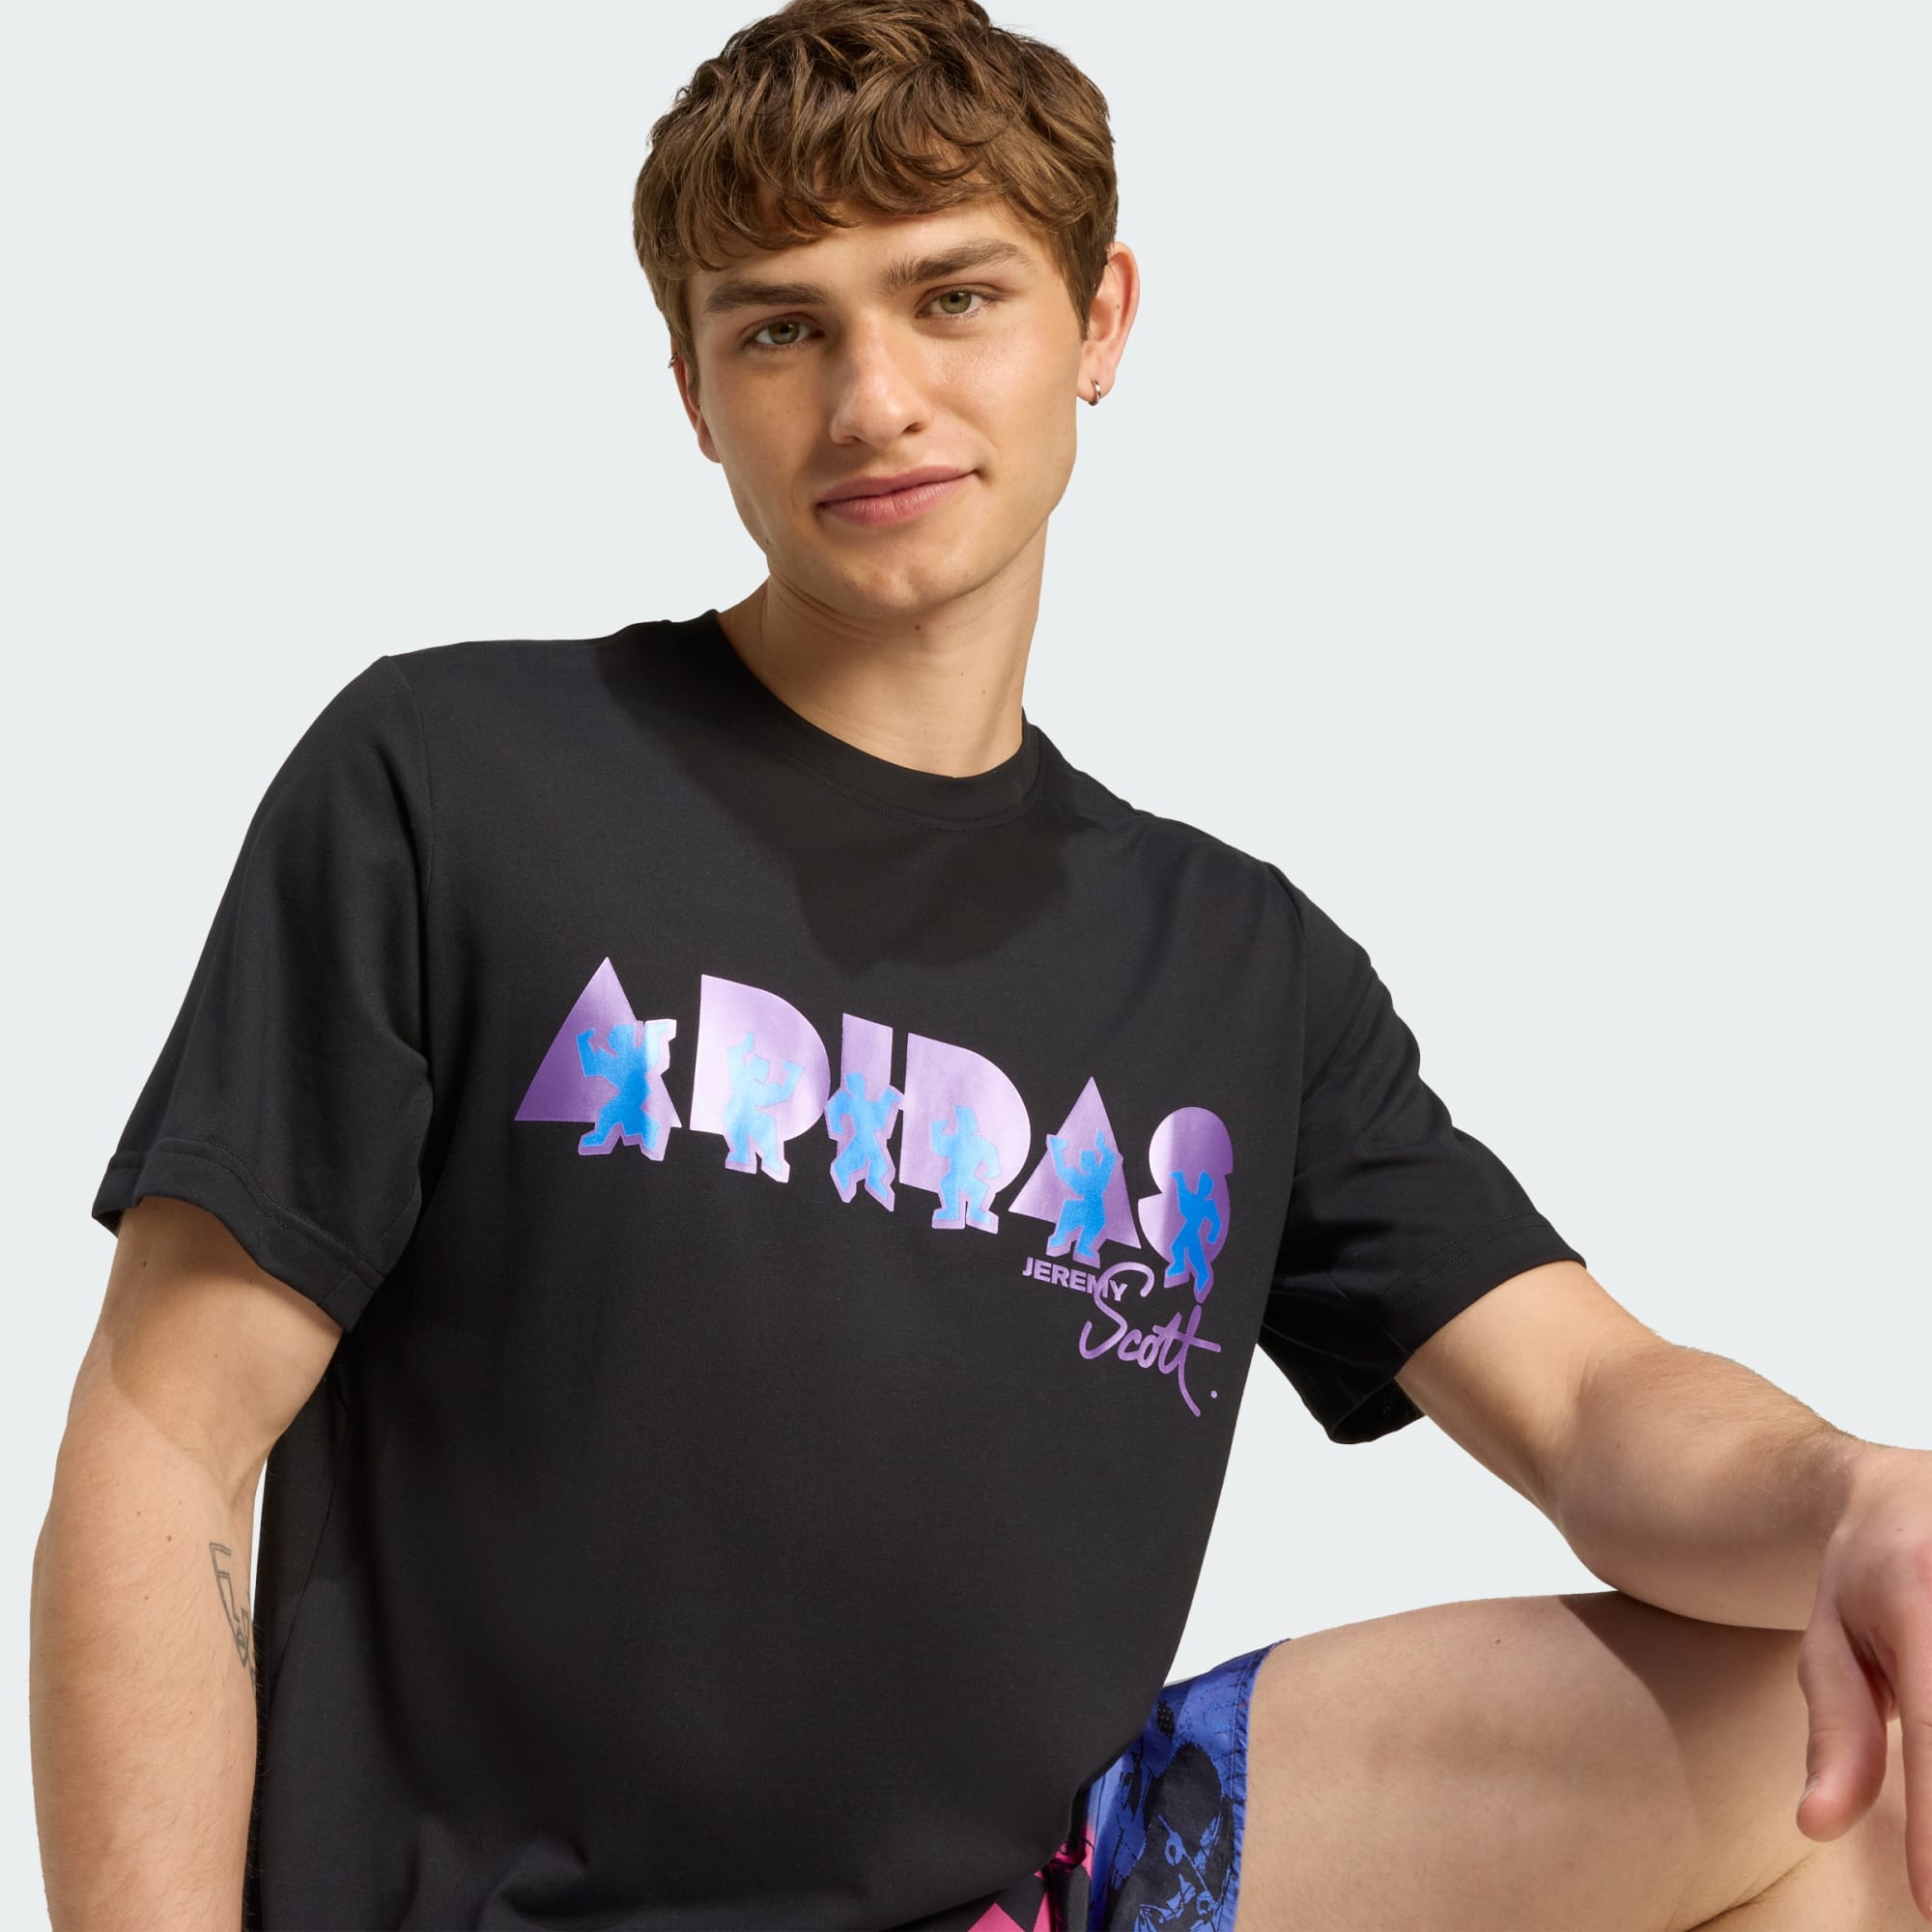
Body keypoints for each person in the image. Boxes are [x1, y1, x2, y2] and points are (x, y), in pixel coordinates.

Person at [29, 1, 1931, 1928]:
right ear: (693, 388)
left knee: (1843, 1724)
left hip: (1032, 1903)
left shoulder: (1239, 966)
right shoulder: (456, 783)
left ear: (1099, 320)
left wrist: (1861, 1490)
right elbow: (171, 1440)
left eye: (953, 299)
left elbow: (1592, 1404)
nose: (874, 400)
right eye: (781, 328)